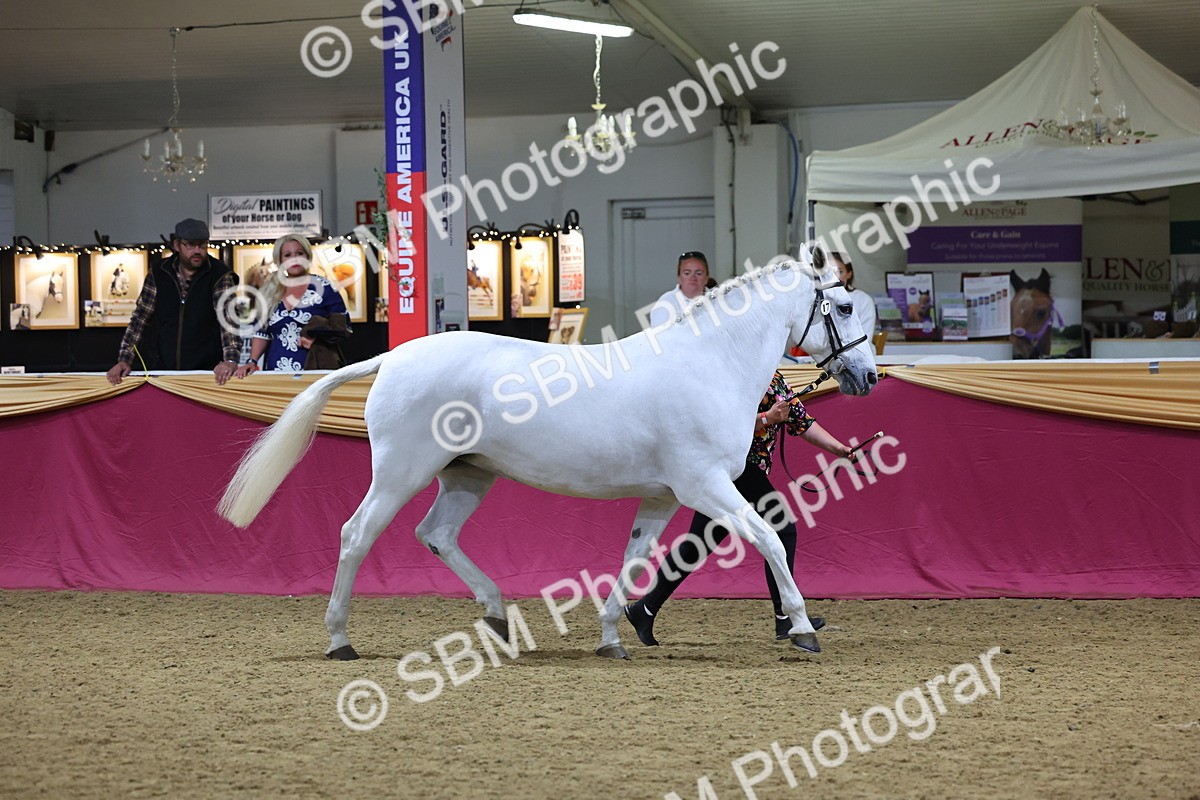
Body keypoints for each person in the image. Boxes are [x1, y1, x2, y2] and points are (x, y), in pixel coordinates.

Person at [624, 370, 857, 645]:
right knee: (783, 530)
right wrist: (766, 419)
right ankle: (785, 617)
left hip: (740, 472)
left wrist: (837, 448)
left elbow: (801, 421)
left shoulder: (776, 378)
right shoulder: (736, 373)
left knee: (697, 544)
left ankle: (644, 609)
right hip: (737, 468)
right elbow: (720, 423)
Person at [106, 218, 240, 386]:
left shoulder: (220, 275)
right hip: (162, 368)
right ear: (177, 245)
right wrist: (124, 359)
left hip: (206, 371)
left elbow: (228, 322)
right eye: (191, 245)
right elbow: (140, 318)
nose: (198, 250)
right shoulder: (159, 272)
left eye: (202, 244)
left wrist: (230, 359)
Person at [234, 234, 351, 376]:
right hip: (275, 372)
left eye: (299, 253)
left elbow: (345, 327)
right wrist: (252, 361)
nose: (294, 259)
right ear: (280, 260)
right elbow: (261, 332)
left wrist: (318, 336)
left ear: (307, 256)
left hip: (315, 370)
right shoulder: (269, 290)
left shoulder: (325, 287)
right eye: (287, 255)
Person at [647, 251, 710, 328]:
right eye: (687, 273)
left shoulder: (719, 301)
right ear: (679, 277)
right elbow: (660, 337)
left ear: (707, 278)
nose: (693, 278)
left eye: (699, 273)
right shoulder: (665, 303)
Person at [830, 251, 877, 335]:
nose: (834, 276)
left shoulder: (863, 300)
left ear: (849, 274)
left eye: (840, 271)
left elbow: (865, 337)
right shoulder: (815, 299)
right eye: (829, 272)